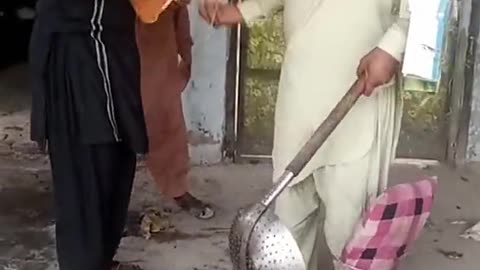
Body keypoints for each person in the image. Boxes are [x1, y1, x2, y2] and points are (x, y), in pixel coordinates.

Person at [199, 0, 410, 269]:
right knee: (288, 222)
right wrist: (244, 10)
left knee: (352, 229)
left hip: (362, 93)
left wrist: (393, 45)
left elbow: (429, 9)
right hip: (300, 91)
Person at [29, 0, 172, 269]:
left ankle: (101, 260)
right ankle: (84, 263)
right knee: (85, 179)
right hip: (81, 62)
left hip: (109, 53)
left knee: (114, 169)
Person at [136, 3, 215, 219]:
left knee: (164, 108)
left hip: (160, 18)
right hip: (107, 18)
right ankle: (101, 196)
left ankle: (176, 187)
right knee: (106, 111)